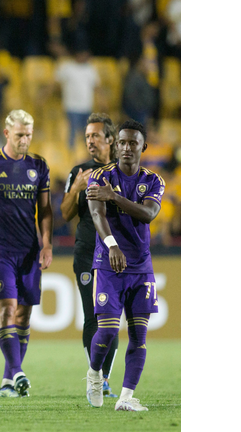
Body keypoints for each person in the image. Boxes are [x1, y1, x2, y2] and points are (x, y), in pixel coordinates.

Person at [85, 119, 164, 411]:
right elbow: (97, 214)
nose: (127, 147)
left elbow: (148, 214)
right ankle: (94, 375)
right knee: (106, 331)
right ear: (115, 145)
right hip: (109, 263)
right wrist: (112, 245)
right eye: (122, 142)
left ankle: (126, 398)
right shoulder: (100, 175)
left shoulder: (154, 180)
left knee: (139, 337)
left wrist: (115, 197)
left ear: (144, 146)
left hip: (141, 267)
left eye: (133, 142)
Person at [0, 110, 52, 398]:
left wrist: (47, 243)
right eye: (20, 134)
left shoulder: (39, 165)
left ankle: (8, 380)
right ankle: (18, 370)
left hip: (29, 249)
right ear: (7, 132)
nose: (25, 140)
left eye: (29, 134)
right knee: (7, 310)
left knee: (23, 316)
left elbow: (45, 209)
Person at [60, 113, 119, 398]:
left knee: (112, 316)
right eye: (87, 137)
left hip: (115, 254)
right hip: (86, 251)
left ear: (110, 139)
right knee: (92, 317)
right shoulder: (79, 171)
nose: (90, 141)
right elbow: (65, 213)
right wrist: (75, 188)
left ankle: (105, 376)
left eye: (95, 136)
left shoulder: (123, 172)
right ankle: (98, 377)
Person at [54, 49, 100, 149]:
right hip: (72, 107)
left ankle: (85, 154)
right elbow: (55, 83)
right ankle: (70, 155)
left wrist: (102, 100)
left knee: (86, 133)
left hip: (86, 107)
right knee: (73, 133)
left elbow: (96, 87)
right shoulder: (67, 67)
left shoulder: (90, 68)